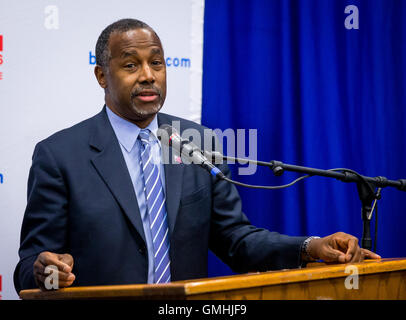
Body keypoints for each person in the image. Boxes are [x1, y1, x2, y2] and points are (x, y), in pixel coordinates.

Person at [14, 18, 380, 293]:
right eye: (130, 65)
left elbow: (236, 240)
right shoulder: (60, 155)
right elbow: (29, 264)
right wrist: (46, 272)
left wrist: (310, 246)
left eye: (156, 63)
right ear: (101, 75)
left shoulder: (196, 142)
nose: (147, 76)